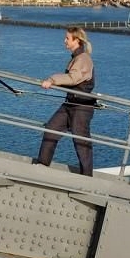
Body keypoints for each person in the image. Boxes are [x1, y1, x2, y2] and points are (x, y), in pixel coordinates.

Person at [35, 27, 95, 176]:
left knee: (81, 142)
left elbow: (73, 78)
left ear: (77, 40)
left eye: (67, 38)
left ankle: (87, 178)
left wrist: (52, 80)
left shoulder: (83, 59)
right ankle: (42, 165)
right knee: (51, 129)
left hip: (81, 106)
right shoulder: (77, 57)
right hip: (70, 104)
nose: (65, 41)